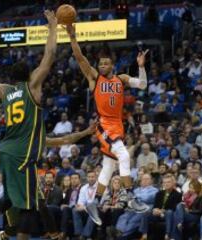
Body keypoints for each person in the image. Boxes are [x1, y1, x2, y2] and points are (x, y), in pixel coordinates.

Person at [0, 10, 58, 240]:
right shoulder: (33, 87)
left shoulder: (6, 91)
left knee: (11, 195)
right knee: (28, 204)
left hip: (6, 151)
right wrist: (53, 27)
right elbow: (50, 55)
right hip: (22, 154)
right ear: (29, 75)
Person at [64, 22, 149, 226]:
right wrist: (72, 37)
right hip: (103, 125)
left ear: (112, 65)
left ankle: (93, 202)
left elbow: (143, 85)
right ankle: (130, 196)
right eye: (100, 63)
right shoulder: (94, 78)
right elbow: (80, 58)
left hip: (118, 125)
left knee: (109, 167)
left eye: (105, 63)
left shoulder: (122, 79)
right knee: (124, 155)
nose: (101, 65)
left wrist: (141, 67)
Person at [0, 126, 96, 240]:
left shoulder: (38, 139)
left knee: (34, 210)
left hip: (27, 177)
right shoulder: (18, 140)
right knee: (20, 216)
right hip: (16, 175)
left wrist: (86, 132)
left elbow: (65, 140)